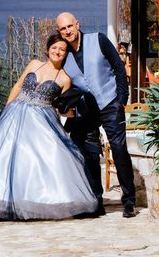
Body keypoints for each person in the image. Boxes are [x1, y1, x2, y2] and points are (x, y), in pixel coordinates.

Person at [0, 33, 98, 221]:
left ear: (66, 54)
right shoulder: (33, 64)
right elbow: (17, 86)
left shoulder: (65, 78)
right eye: (54, 47)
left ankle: (34, 200)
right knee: (4, 156)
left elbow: (62, 108)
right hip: (15, 113)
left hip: (42, 119)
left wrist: (77, 111)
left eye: (62, 50)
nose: (57, 51)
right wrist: (6, 111)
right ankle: (0, 200)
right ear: (48, 49)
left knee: (37, 159)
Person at [55, 12, 137, 218]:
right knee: (90, 153)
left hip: (110, 102)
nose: (67, 31)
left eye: (70, 26)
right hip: (86, 109)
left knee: (118, 148)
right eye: (63, 29)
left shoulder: (98, 39)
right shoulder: (64, 55)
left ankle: (129, 201)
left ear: (77, 24)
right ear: (59, 32)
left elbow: (119, 68)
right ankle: (96, 201)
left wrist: (121, 100)